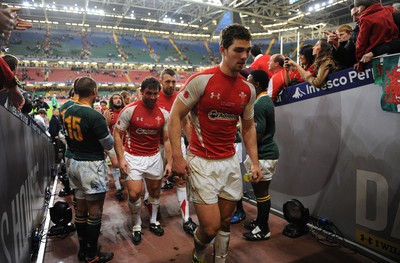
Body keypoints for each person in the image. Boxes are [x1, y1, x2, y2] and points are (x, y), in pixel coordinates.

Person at [168, 23, 262, 263]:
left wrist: (254, 162)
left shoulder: (248, 90)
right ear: (222, 49)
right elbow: (175, 116)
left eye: (247, 51)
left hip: (229, 162)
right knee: (209, 228)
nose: (244, 56)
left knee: (224, 223)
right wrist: (177, 158)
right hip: (201, 162)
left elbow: (249, 127)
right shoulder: (201, 80)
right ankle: (199, 252)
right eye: (238, 50)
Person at [114, 76, 172, 245]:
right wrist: (121, 158)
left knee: (155, 193)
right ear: (142, 91)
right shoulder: (129, 110)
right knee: (134, 193)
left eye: (155, 94)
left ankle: (153, 221)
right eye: (149, 93)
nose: (152, 97)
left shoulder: (164, 114)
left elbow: (166, 140)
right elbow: (118, 134)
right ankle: (137, 225)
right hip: (133, 157)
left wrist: (169, 162)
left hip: (154, 157)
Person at [64, 76, 114, 263]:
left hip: (75, 164)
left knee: (81, 211)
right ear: (94, 91)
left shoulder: (68, 110)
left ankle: (83, 248)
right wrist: (106, 124)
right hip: (91, 166)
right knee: (95, 212)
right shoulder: (95, 116)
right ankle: (92, 255)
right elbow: (108, 144)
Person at [155, 68, 197, 235]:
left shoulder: (180, 97)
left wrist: (192, 142)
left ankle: (186, 218)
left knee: (182, 179)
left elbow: (186, 121)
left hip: (176, 143)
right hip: (155, 146)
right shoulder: (153, 97)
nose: (171, 85)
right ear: (161, 82)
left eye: (173, 82)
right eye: (168, 82)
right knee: (155, 181)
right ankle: (154, 211)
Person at [241, 69, 279, 241]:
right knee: (260, 193)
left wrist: (242, 131)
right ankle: (259, 222)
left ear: (256, 84)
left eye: (249, 80)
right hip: (264, 154)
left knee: (262, 192)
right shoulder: (264, 101)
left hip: (263, 154)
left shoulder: (259, 104)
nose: (246, 83)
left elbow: (257, 135)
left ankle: (263, 229)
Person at [354, 0, 399, 70]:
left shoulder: (365, 18)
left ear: (366, 4)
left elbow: (361, 42)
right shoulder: (388, 9)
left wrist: (360, 60)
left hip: (377, 56)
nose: (357, 10)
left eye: (358, 6)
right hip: (393, 51)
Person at [103, 93, 125, 201]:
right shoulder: (108, 113)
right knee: (115, 165)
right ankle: (119, 188)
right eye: (115, 98)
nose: (118, 100)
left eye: (119, 98)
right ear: (112, 101)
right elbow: (103, 129)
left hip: (125, 144)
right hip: (112, 144)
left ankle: (123, 182)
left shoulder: (126, 111)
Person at [327, 4, 359, 69]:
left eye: (341, 34)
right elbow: (348, 60)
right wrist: (336, 44)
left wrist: (372, 53)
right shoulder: (341, 48)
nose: (354, 19)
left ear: (350, 34)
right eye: (352, 16)